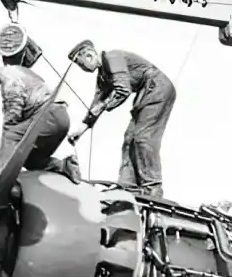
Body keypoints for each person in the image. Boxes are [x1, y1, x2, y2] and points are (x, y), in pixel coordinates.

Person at [65, 41, 176, 199]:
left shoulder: (112, 57)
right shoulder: (103, 76)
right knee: (129, 138)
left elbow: (123, 89)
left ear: (89, 55)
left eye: (79, 63)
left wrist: (103, 105)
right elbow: (96, 104)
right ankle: (128, 186)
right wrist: (80, 131)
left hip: (156, 87)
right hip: (146, 92)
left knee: (143, 138)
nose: (80, 68)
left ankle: (152, 188)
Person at [0, 52, 79, 180]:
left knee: (10, 134)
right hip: (60, 118)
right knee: (28, 160)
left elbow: (11, 120)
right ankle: (64, 166)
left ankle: (2, 177)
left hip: (49, 118)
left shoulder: (9, 82)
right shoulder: (18, 70)